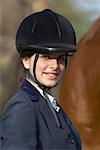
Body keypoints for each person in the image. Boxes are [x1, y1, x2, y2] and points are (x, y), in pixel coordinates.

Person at [1, 9, 81, 149]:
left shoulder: (51, 105)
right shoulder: (22, 108)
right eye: (46, 57)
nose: (55, 66)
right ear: (26, 60)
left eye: (61, 59)